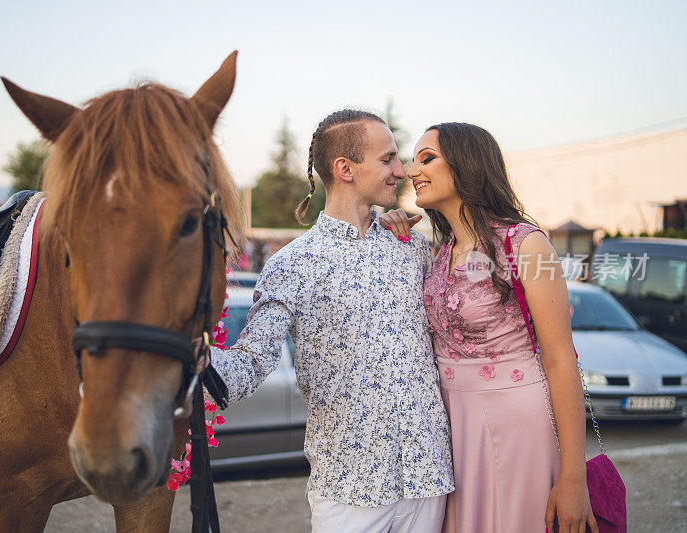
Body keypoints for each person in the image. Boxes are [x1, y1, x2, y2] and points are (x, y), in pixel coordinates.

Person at [210, 110, 454, 532]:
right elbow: (250, 363)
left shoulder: (410, 244)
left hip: (428, 478)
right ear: (345, 169)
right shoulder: (292, 264)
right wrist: (191, 362)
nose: (402, 171)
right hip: (349, 492)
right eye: (388, 159)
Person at [380, 122, 598, 532]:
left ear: (467, 165)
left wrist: (574, 476)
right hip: (449, 426)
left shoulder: (526, 244)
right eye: (413, 160)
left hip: (515, 422)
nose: (411, 171)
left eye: (427, 158)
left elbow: (560, 360)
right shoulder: (439, 251)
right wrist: (389, 231)